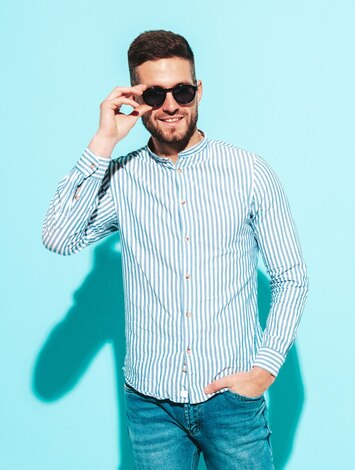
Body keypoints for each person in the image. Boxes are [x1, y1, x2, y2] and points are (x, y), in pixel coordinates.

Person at [42, 30, 308, 470]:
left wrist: (265, 367)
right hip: (152, 410)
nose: (171, 105)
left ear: (198, 90)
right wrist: (104, 140)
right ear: (136, 98)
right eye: (155, 93)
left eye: (182, 91)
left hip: (231, 404)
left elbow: (291, 276)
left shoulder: (249, 172)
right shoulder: (123, 179)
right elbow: (58, 237)